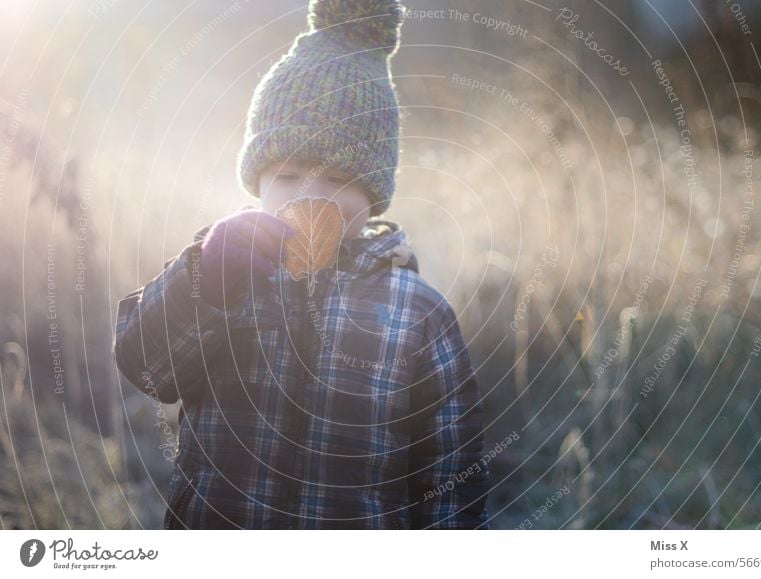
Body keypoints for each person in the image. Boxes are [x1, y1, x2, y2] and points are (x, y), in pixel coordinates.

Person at [113, 0, 489, 529]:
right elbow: (146, 367)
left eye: (337, 179)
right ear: (258, 182)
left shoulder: (414, 311)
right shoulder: (222, 269)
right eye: (287, 178)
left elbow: (451, 470)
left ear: (374, 193)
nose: (311, 197)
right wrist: (204, 279)